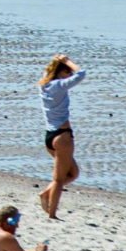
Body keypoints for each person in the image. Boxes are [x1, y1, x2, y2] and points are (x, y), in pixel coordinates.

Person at [39, 55, 87, 218]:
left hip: (49, 136)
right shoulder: (59, 85)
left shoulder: (44, 85)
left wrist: (57, 63)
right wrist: (68, 61)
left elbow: (48, 72)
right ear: (63, 71)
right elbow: (81, 74)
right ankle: (52, 214)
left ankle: (46, 193)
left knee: (73, 173)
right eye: (67, 72)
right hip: (62, 136)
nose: (69, 75)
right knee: (59, 179)